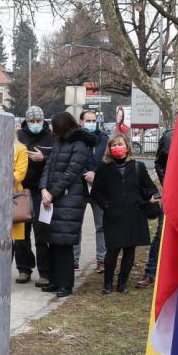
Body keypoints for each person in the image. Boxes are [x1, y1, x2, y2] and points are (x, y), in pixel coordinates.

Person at [91, 134, 158, 294]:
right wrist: (106, 205)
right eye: (113, 145)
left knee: (130, 250)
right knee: (112, 250)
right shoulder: (103, 168)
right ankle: (107, 284)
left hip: (135, 214)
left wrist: (152, 196)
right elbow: (96, 192)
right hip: (113, 215)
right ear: (109, 149)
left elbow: (149, 187)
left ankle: (122, 284)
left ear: (127, 147)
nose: (117, 148)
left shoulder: (138, 167)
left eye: (120, 144)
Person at [39, 112, 90, 298]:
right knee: (52, 242)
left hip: (68, 200)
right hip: (51, 199)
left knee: (64, 244)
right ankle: (54, 281)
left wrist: (52, 193)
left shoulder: (79, 145)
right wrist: (43, 188)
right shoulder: (59, 142)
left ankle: (65, 284)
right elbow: (48, 166)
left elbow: (70, 173)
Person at [14, 107, 54, 286]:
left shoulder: (50, 137)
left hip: (41, 191)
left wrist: (43, 158)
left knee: (42, 234)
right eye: (32, 121)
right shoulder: (19, 136)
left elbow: (56, 160)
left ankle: (45, 272)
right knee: (21, 234)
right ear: (27, 121)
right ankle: (24, 269)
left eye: (38, 121)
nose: (35, 124)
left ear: (43, 120)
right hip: (21, 191)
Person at [137, 127, 172, 288]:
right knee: (161, 233)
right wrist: (169, 184)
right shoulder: (170, 136)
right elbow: (159, 164)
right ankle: (150, 272)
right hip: (174, 194)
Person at [76, 109, 108, 272]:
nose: (90, 123)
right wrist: (84, 174)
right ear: (80, 122)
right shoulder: (75, 139)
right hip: (79, 187)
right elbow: (73, 159)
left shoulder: (103, 139)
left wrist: (96, 173)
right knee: (76, 224)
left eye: (93, 120)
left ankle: (102, 260)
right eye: (87, 120)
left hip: (99, 187)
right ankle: (74, 258)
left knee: (101, 225)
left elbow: (107, 161)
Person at [13, 137, 29, 255]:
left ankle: (23, 269)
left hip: (13, 197)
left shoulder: (20, 148)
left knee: (14, 239)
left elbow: (20, 174)